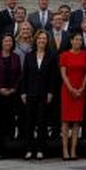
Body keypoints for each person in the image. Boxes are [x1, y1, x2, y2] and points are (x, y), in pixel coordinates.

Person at [20, 29, 58, 160]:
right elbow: (24, 75)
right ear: (36, 40)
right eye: (40, 38)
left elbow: (53, 76)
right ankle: (29, 149)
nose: (42, 40)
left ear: (47, 41)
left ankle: (41, 149)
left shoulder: (51, 56)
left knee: (42, 122)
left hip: (44, 94)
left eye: (44, 39)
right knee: (29, 122)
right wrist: (23, 92)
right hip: (30, 93)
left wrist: (51, 92)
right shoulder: (29, 55)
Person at [59, 31, 86, 159]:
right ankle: (65, 150)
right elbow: (63, 74)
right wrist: (70, 88)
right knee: (66, 121)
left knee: (77, 122)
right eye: (76, 40)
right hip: (67, 90)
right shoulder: (64, 55)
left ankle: (73, 150)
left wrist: (82, 87)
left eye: (80, 40)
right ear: (71, 41)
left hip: (80, 90)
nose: (78, 42)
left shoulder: (85, 54)